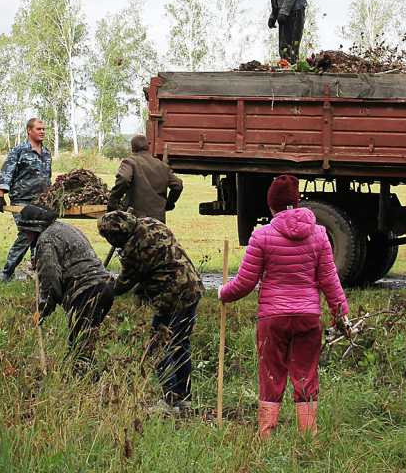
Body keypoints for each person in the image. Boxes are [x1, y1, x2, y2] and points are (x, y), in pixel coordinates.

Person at [218, 175, 350, 438]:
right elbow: (329, 280)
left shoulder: (262, 236)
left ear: (272, 206)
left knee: (271, 375)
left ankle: (266, 435)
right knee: (306, 376)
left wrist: (224, 293)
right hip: (308, 317)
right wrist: (341, 314)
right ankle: (307, 436)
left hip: (273, 319)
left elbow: (245, 282)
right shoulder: (320, 234)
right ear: (297, 201)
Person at [97, 210, 204, 415]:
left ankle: (169, 401)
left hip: (171, 296)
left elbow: (123, 284)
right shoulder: (151, 222)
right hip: (192, 286)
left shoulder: (132, 250)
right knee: (181, 344)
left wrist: (103, 286)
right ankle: (184, 399)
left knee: (159, 346)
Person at [18, 204, 114, 373]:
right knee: (80, 344)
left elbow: (50, 280)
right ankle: (83, 386)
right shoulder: (64, 228)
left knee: (81, 351)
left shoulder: (46, 239)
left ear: (35, 227)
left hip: (86, 293)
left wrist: (43, 310)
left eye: (27, 231)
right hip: (104, 288)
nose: (27, 237)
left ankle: (88, 391)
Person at [0, 118, 53, 282]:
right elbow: (6, 173)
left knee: (40, 235)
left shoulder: (47, 153)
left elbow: (47, 177)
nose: (42, 131)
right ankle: (8, 272)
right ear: (29, 130)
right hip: (21, 201)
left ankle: (36, 271)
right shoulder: (19, 151)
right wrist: (1, 197)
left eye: (43, 128)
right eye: (38, 129)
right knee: (26, 234)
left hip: (41, 201)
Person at [107, 134, 184, 224]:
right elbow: (178, 185)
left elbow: (124, 178)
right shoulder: (162, 166)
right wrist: (169, 203)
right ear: (148, 147)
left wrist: (113, 202)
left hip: (136, 218)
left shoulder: (130, 162)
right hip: (158, 220)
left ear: (132, 149)